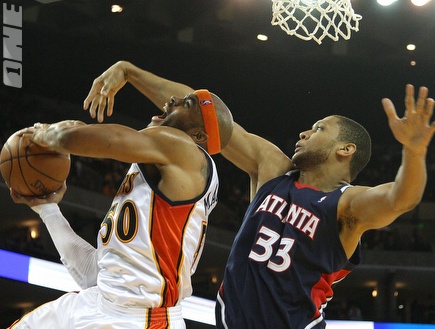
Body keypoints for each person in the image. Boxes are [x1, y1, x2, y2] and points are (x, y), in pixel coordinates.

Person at [75, 61, 435, 328]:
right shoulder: (273, 170)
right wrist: (130, 72)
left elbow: (400, 199)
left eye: (319, 128)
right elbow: (205, 116)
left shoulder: (347, 205)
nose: (305, 132)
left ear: (345, 150)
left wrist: (415, 152)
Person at [8, 83, 234, 328]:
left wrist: (44, 134)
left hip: (142, 320)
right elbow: (94, 276)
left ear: (199, 136)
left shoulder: (185, 149)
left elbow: (86, 138)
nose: (171, 99)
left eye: (186, 103)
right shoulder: (163, 173)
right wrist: (48, 209)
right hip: (105, 306)